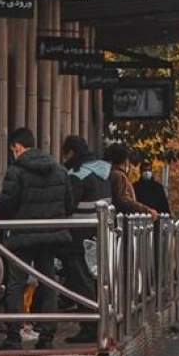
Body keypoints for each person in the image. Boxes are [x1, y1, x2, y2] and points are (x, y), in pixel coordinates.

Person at [0, 128, 74, 350]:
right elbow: (69, 202)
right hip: (50, 235)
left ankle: (13, 337)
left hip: (23, 236)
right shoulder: (59, 169)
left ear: (17, 146)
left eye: (12, 149)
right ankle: (47, 336)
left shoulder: (16, 171)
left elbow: (5, 205)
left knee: (16, 284)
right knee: (48, 282)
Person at [60, 135, 112, 343]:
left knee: (80, 280)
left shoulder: (78, 175)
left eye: (65, 153)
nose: (64, 158)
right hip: (100, 235)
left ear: (71, 152)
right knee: (98, 279)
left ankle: (89, 328)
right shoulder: (104, 173)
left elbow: (68, 203)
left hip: (79, 236)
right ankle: (101, 324)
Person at [106, 144, 158, 220]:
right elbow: (124, 200)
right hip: (121, 220)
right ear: (125, 161)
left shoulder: (114, 174)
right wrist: (146, 211)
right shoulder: (119, 176)